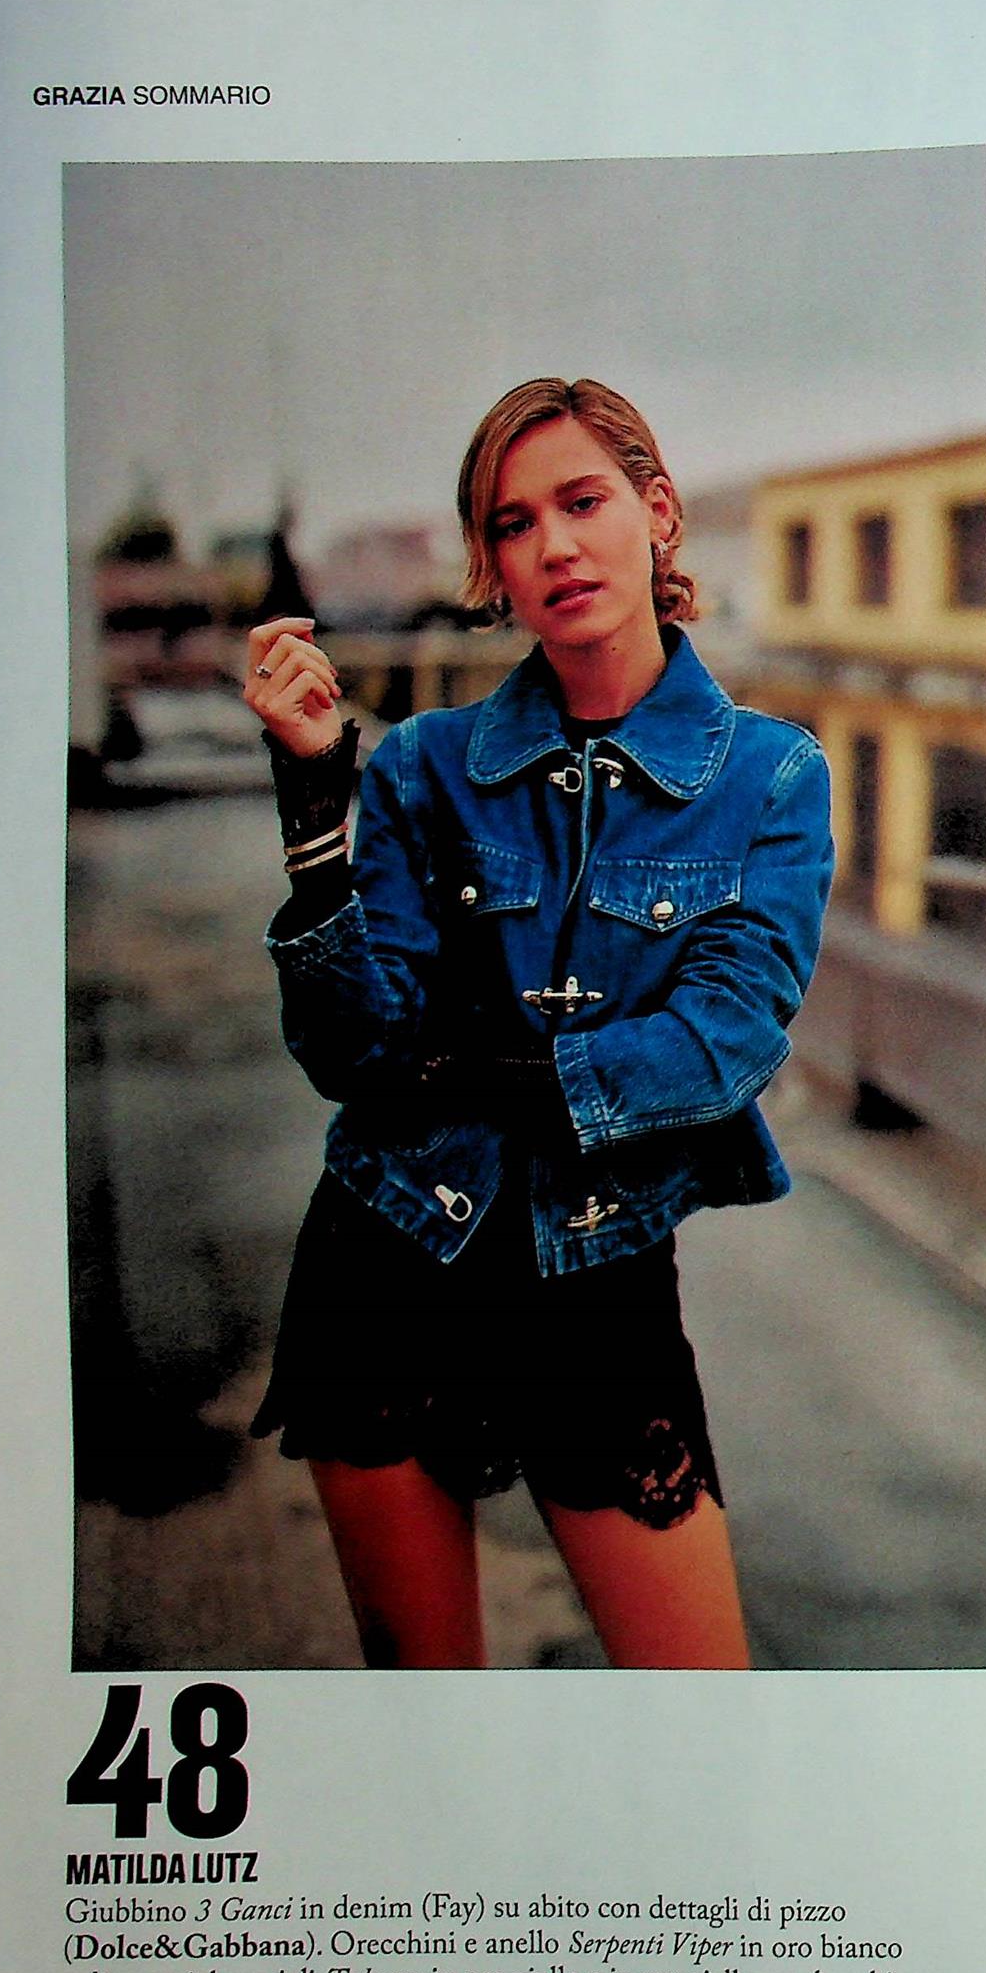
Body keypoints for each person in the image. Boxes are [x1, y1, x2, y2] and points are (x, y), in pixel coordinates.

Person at [241, 378, 834, 1670]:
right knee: (427, 1711)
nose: (555, 545)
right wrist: (315, 799)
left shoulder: (771, 776)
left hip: (598, 1283)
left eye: (583, 501)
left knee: (701, 1701)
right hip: (389, 1261)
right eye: (514, 523)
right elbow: (351, 1053)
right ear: (491, 564)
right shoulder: (420, 765)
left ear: (657, 513)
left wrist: (469, 1065)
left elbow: (721, 1043)